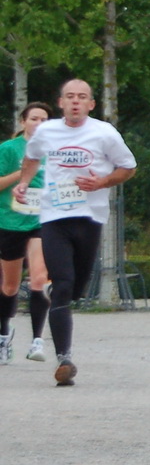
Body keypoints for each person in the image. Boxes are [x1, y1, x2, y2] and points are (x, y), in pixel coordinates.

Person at [11, 80, 137, 386]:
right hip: (54, 216)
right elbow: (32, 157)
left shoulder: (104, 132)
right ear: (61, 102)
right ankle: (64, 359)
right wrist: (25, 182)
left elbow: (128, 167)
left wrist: (103, 183)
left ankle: (63, 296)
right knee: (64, 283)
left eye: (82, 97)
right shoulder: (47, 131)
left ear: (91, 104)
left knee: (77, 287)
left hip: (90, 216)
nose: (76, 102)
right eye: (70, 97)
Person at [0, 102, 51, 365]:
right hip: (9, 221)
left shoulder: (54, 151)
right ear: (23, 122)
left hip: (41, 220)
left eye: (44, 120)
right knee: (9, 285)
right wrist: (24, 173)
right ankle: (3, 335)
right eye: (34, 119)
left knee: (39, 278)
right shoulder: (8, 150)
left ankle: (37, 341)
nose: (39, 124)